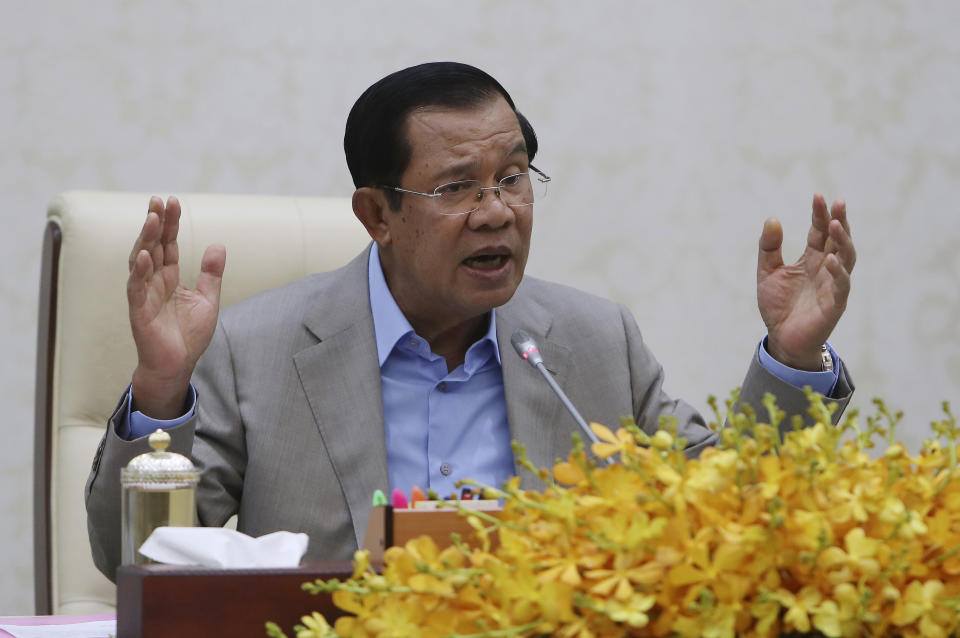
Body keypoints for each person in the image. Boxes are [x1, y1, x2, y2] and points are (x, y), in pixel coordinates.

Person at [85, 62, 856, 581]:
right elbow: (141, 559)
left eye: (513, 178)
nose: (497, 213)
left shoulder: (590, 342)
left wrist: (792, 357)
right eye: (456, 188)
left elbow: (730, 505)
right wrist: (160, 387)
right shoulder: (253, 351)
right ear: (376, 213)